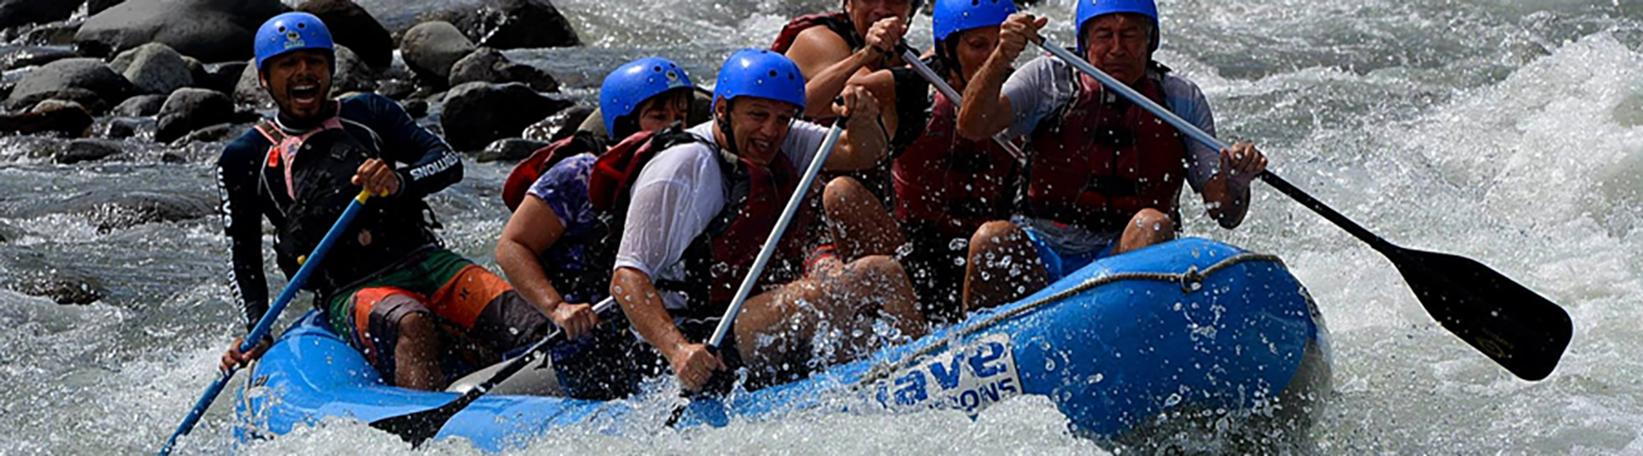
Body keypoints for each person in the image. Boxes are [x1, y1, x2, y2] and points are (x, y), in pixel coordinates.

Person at [215, 13, 552, 391]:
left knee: (529, 323)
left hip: (426, 261)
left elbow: (447, 162)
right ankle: (425, 429)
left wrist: (400, 182)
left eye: (314, 62)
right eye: (288, 64)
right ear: (264, 77)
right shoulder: (245, 155)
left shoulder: (370, 113)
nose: (303, 72)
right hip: (350, 287)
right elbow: (242, 255)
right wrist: (256, 327)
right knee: (411, 322)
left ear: (330, 68)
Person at [609, 49, 927, 392]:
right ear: (722, 110)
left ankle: (901, 371)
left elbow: (862, 153)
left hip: (746, 312)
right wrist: (678, 350)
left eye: (783, 118)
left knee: (863, 296)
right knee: (879, 276)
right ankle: (924, 377)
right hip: (698, 335)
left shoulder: (781, 140)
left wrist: (863, 118)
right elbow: (626, 279)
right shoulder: (683, 167)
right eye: (758, 115)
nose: (771, 131)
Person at [954, 0, 1269, 310]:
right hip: (1044, 250)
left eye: (1130, 35)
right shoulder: (1048, 78)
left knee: (1153, 224)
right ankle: (979, 347)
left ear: (1150, 41)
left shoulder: (1179, 98)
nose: (1117, 48)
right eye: (1104, 35)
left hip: (1124, 254)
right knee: (991, 237)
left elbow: (1226, 214)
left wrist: (1238, 182)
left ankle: (1137, 334)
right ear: (1085, 41)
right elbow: (972, 126)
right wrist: (1001, 57)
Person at [492, 57, 696, 398]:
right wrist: (558, 308)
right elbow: (511, 246)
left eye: (682, 117)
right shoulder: (578, 175)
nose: (674, 128)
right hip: (586, 344)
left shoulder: (684, 175)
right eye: (659, 117)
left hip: (654, 332)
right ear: (625, 123)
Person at [844, 0, 1023, 323]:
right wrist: (859, 83)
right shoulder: (913, 87)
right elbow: (819, 99)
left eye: (1001, 46)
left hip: (988, 254)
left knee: (995, 236)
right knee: (841, 193)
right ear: (949, 50)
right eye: (978, 45)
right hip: (913, 251)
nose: (992, 57)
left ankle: (986, 337)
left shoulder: (1024, 90)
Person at [773, 0, 920, 121]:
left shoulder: (906, 57)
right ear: (849, 4)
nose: (881, 9)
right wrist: (867, 54)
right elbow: (863, 88)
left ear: (910, 10)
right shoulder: (817, 39)